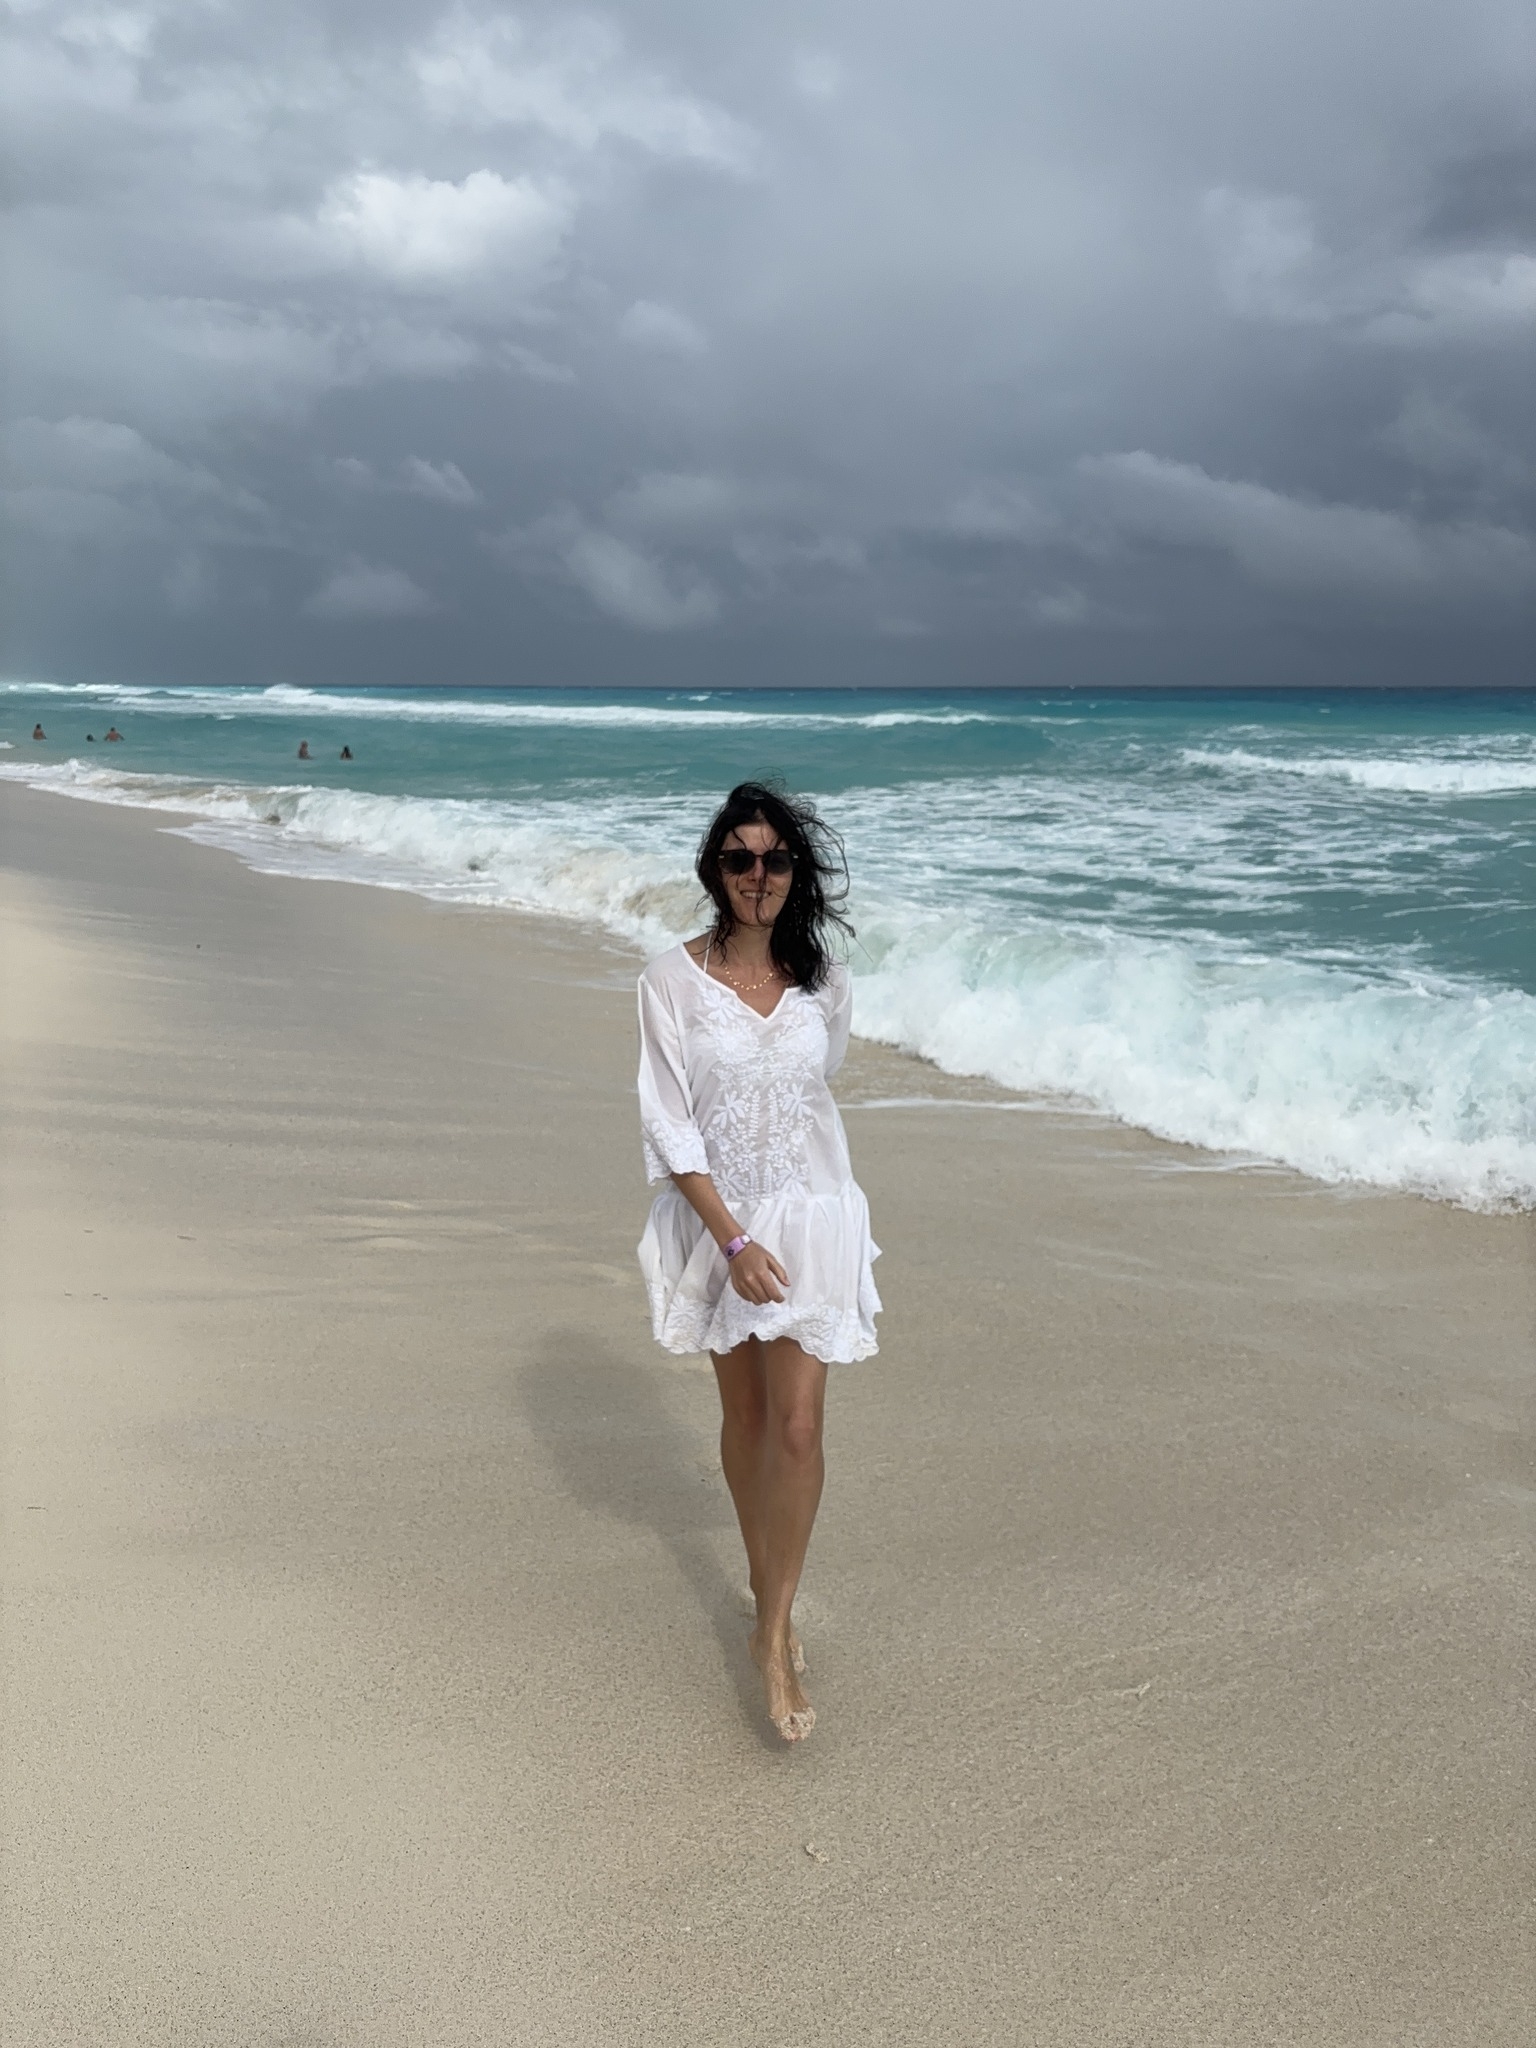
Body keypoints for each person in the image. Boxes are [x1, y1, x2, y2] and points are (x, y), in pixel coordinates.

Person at [636, 782, 880, 1744]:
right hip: (719, 1225)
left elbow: (820, 1087)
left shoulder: (826, 980)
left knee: (800, 1428)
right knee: (743, 1418)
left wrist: (781, 1220)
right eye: (739, 859)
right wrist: (730, 1239)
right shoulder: (670, 980)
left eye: (775, 860)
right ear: (715, 869)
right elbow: (667, 1121)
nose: (757, 877)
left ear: (795, 873)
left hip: (816, 1219)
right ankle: (759, 1581)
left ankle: (772, 1633)